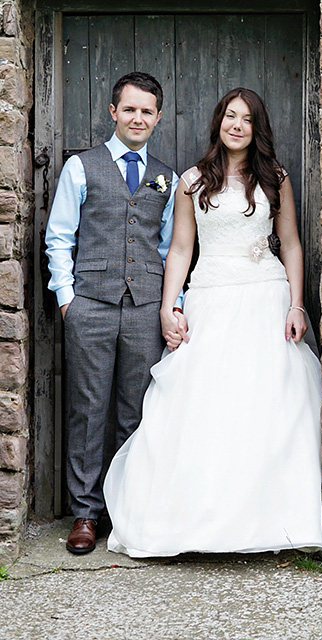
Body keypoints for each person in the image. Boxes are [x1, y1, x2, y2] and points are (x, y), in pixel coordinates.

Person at [103, 87, 322, 557]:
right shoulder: (191, 182)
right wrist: (169, 307)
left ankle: (265, 523)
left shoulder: (275, 179)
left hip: (266, 299)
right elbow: (181, 250)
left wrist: (296, 304)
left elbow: (291, 245)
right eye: (230, 116)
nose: (237, 125)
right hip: (211, 299)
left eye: (246, 118)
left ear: (256, 127)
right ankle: (198, 520)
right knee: (203, 406)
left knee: (266, 409)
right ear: (218, 123)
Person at [45, 72, 182, 554]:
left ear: (158, 117)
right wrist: (67, 301)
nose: (138, 118)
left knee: (136, 412)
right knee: (87, 410)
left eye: (147, 111)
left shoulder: (168, 176)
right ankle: (85, 513)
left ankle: (128, 512)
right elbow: (59, 237)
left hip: (146, 308)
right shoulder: (81, 168)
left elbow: (170, 250)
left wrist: (173, 305)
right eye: (129, 109)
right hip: (91, 307)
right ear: (113, 112)